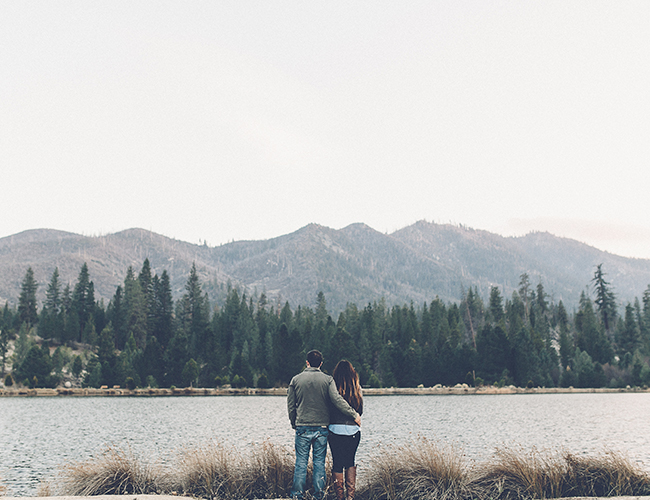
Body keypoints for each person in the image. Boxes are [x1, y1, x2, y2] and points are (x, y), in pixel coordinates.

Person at [287, 350, 361, 500]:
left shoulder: (295, 380)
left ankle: (297, 495)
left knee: (301, 462)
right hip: (322, 428)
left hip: (302, 426)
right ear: (321, 364)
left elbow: (291, 405)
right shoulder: (327, 380)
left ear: (307, 362)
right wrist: (354, 414)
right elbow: (337, 400)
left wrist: (294, 422)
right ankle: (319, 495)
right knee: (319, 462)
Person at [328, 360, 363, 500]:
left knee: (337, 462)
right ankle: (350, 497)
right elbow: (360, 410)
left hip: (334, 430)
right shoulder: (356, 387)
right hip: (353, 432)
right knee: (350, 461)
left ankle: (339, 497)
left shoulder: (332, 387)